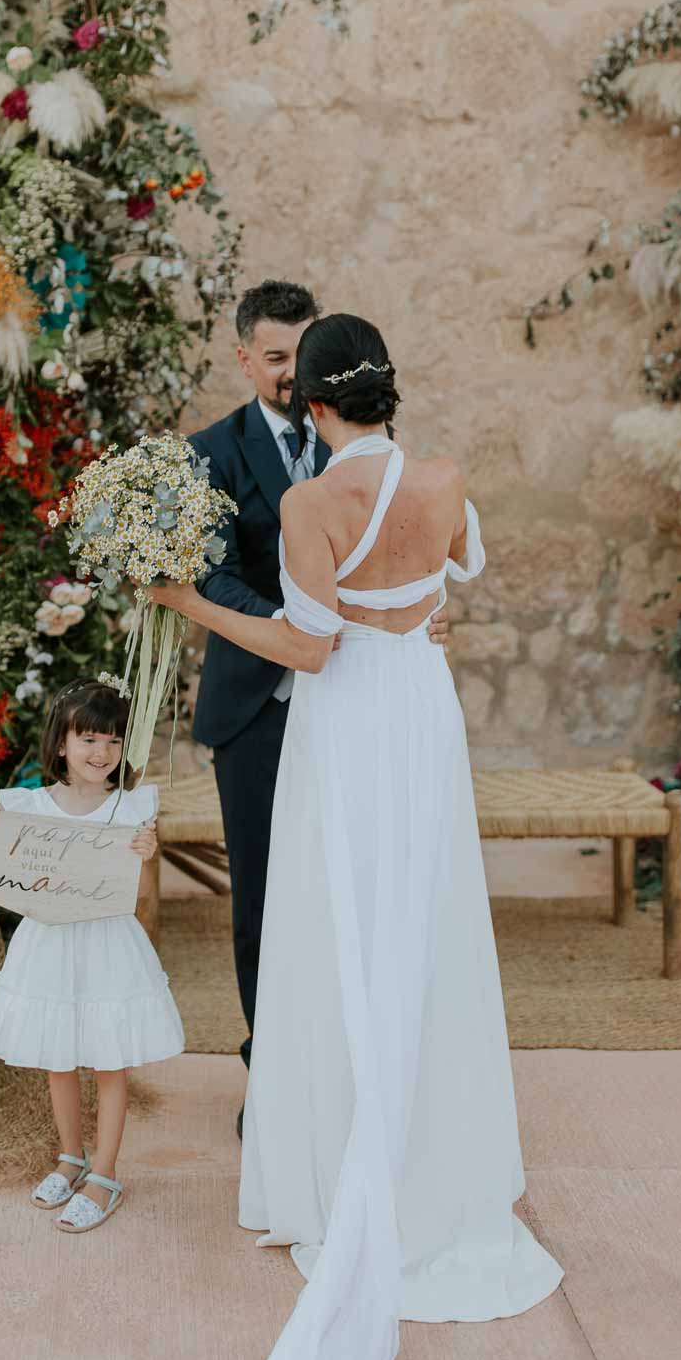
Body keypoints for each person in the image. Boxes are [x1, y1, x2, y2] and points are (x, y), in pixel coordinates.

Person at [149, 315, 563, 1360]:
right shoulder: (444, 475)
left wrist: (184, 598)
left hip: (347, 723)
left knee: (337, 920)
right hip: (421, 716)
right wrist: (421, 617)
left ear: (312, 404)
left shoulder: (308, 502)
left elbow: (308, 643)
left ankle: (338, 1161)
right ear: (389, 391)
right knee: (421, 914)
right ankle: (438, 1157)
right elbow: (455, 566)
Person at [188, 281, 449, 1088]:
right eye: (274, 360)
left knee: (362, 891)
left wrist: (402, 616)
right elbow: (215, 571)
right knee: (267, 902)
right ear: (244, 360)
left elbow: (406, 549)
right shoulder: (211, 452)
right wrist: (311, 621)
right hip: (258, 707)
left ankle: (359, 1068)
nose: (290, 379)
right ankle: (274, 1077)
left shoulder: (372, 444)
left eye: (302, 361)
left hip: (359, 709)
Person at [0, 677, 184, 1234]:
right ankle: (71, 1156)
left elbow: (133, 895)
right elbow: (6, 874)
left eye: (113, 742)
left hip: (109, 944)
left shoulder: (130, 808)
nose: (101, 753)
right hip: (50, 944)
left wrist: (146, 854)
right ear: (61, 743)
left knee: (110, 1060)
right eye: (89, 739)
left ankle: (105, 1172)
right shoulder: (27, 806)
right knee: (59, 1057)